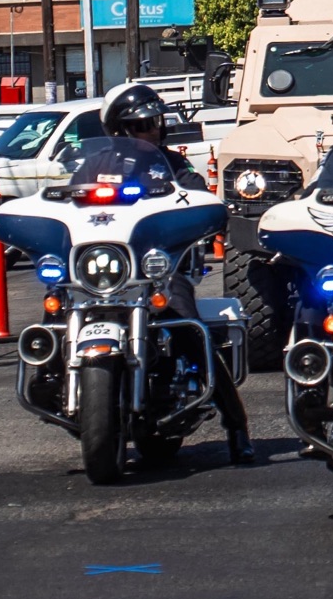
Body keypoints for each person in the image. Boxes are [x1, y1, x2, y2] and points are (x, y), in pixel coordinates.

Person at [100, 82, 256, 465]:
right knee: (54, 307)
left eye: (155, 121)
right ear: (119, 130)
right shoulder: (95, 166)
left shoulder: (172, 165)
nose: (152, 130)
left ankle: (236, 423)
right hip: (107, 272)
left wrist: (201, 209)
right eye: (141, 125)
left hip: (159, 270)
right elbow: (67, 199)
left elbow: (199, 195)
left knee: (186, 325)